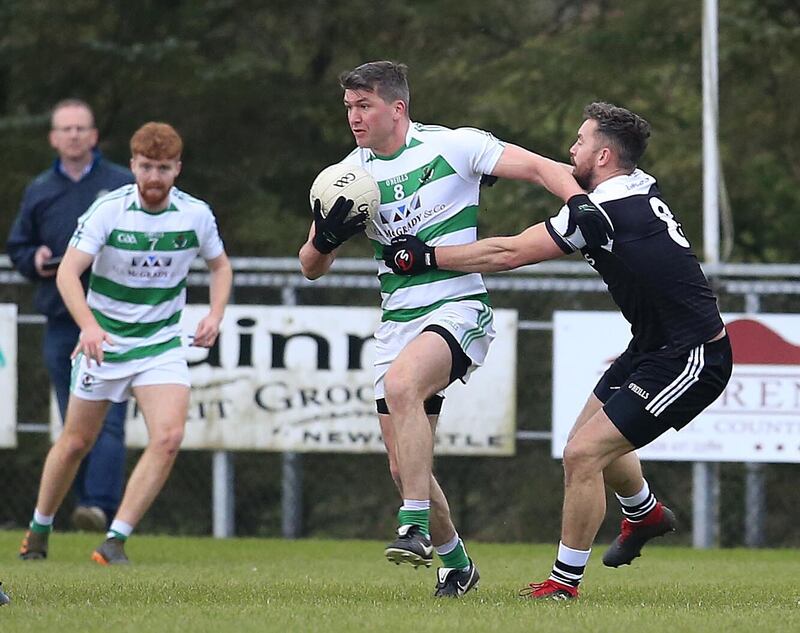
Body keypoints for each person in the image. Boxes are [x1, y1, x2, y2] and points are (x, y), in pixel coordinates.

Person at [382, 102, 733, 600]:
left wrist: (425, 257)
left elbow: (509, 253)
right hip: (653, 346)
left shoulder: (605, 214)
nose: (572, 149)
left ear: (605, 155)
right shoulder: (632, 185)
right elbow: (569, 191)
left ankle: (564, 583)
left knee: (582, 454)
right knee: (592, 446)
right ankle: (646, 512)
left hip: (692, 356)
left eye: (581, 141)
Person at [299, 61, 602, 598]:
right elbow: (310, 266)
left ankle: (412, 525)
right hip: (398, 320)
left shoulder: (454, 147)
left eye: (364, 106)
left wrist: (579, 202)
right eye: (348, 107)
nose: (354, 117)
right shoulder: (349, 173)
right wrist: (325, 237)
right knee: (402, 465)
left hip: (458, 307)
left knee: (402, 386)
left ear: (398, 108)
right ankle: (457, 564)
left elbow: (540, 168)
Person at [18, 121, 232, 565]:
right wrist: (90, 327)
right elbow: (66, 273)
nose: (155, 177)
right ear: (133, 165)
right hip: (106, 342)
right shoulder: (108, 210)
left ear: (178, 168)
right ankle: (39, 528)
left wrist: (214, 314)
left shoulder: (195, 214)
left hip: (159, 344)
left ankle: (114, 540)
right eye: (147, 167)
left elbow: (220, 267)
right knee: (76, 442)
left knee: (169, 437)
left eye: (164, 168)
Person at [7, 99, 134, 532]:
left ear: (94, 135)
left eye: (82, 128)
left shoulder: (120, 184)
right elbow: (19, 246)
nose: (74, 135)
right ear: (54, 138)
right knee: (73, 421)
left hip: (113, 320)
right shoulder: (40, 189)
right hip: (63, 320)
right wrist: (34, 257)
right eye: (66, 129)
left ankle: (99, 508)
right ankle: (81, 505)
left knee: (111, 416)